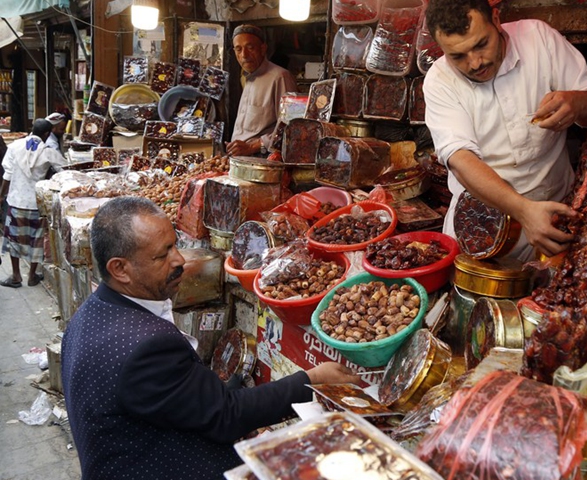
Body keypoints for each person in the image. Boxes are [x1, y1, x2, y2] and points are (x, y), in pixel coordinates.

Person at [62, 196, 360, 480]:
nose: (179, 260)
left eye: (174, 245)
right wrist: (312, 380)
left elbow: (176, 401)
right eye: (162, 254)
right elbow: (225, 414)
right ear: (120, 269)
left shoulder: (89, 314)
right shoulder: (146, 345)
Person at [423, 0, 587, 260]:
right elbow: (460, 159)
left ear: (497, 20)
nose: (475, 62)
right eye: (458, 56)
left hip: (555, 219)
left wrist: (576, 103)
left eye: (481, 44)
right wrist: (523, 211)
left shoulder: (539, 39)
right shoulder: (439, 81)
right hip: (480, 228)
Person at [0, 119, 65, 287]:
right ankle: (31, 276)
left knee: (14, 239)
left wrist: (1, 196)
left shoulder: (15, 146)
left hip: (16, 200)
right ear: (46, 134)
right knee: (36, 240)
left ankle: (16, 276)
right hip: (37, 203)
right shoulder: (48, 152)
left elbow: (7, 174)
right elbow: (64, 171)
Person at [226, 24, 298, 157]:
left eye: (250, 48)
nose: (244, 55)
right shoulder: (247, 77)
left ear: (263, 49)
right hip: (240, 160)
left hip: (262, 161)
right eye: (238, 49)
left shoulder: (280, 77)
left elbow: (291, 128)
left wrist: (252, 146)